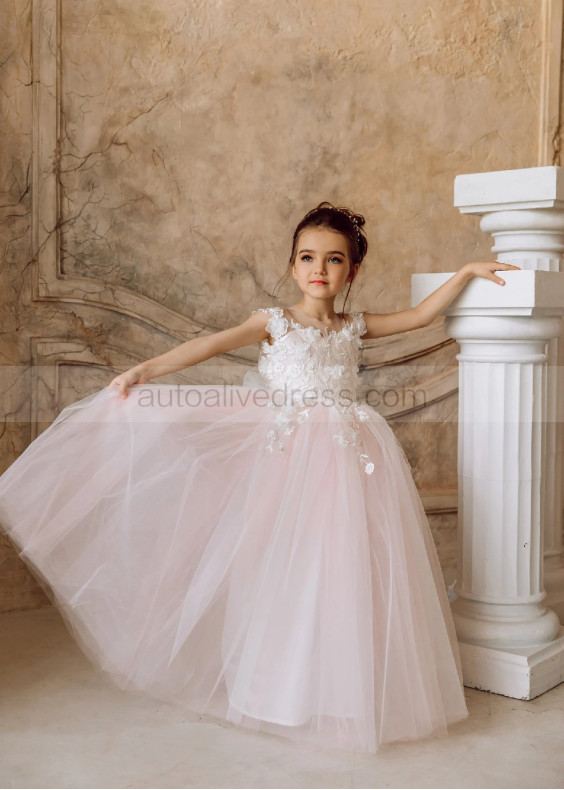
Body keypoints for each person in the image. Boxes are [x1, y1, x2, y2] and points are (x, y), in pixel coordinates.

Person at [0, 202, 520, 755]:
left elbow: (418, 318)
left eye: (334, 259)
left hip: (351, 460)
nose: (320, 268)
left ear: (352, 272)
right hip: (289, 463)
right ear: (294, 266)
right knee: (286, 571)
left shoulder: (352, 328)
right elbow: (208, 344)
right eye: (308, 257)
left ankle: (341, 690)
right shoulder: (273, 322)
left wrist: (465, 274)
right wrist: (144, 371)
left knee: (342, 570)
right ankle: (277, 691)